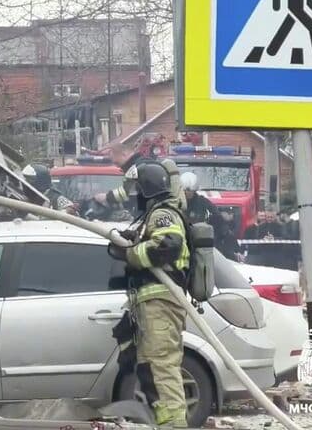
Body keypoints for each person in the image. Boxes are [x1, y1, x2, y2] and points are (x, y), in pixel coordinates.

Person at [107, 161, 190, 427]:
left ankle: (174, 425)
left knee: (161, 368)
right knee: (150, 368)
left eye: (137, 190)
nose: (134, 197)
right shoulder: (152, 216)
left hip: (161, 302)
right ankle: (165, 422)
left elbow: (168, 246)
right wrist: (129, 239)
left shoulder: (162, 214)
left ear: (147, 189)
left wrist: (130, 253)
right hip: (153, 304)